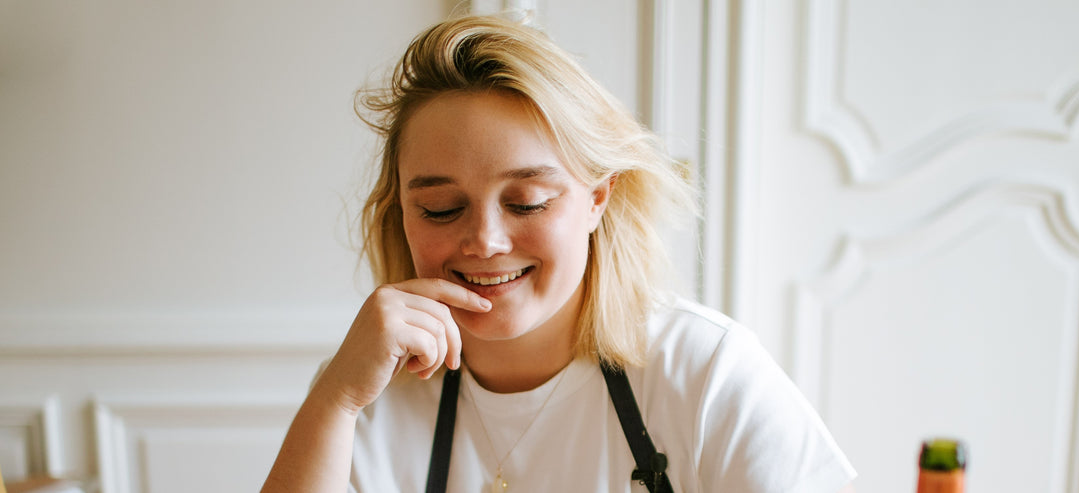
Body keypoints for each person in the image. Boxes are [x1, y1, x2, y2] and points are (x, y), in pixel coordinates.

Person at [262, 14, 857, 493]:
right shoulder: (361, 394)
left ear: (598, 199)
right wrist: (335, 398)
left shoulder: (708, 373)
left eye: (526, 202)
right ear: (402, 213)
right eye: (442, 208)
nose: (485, 241)